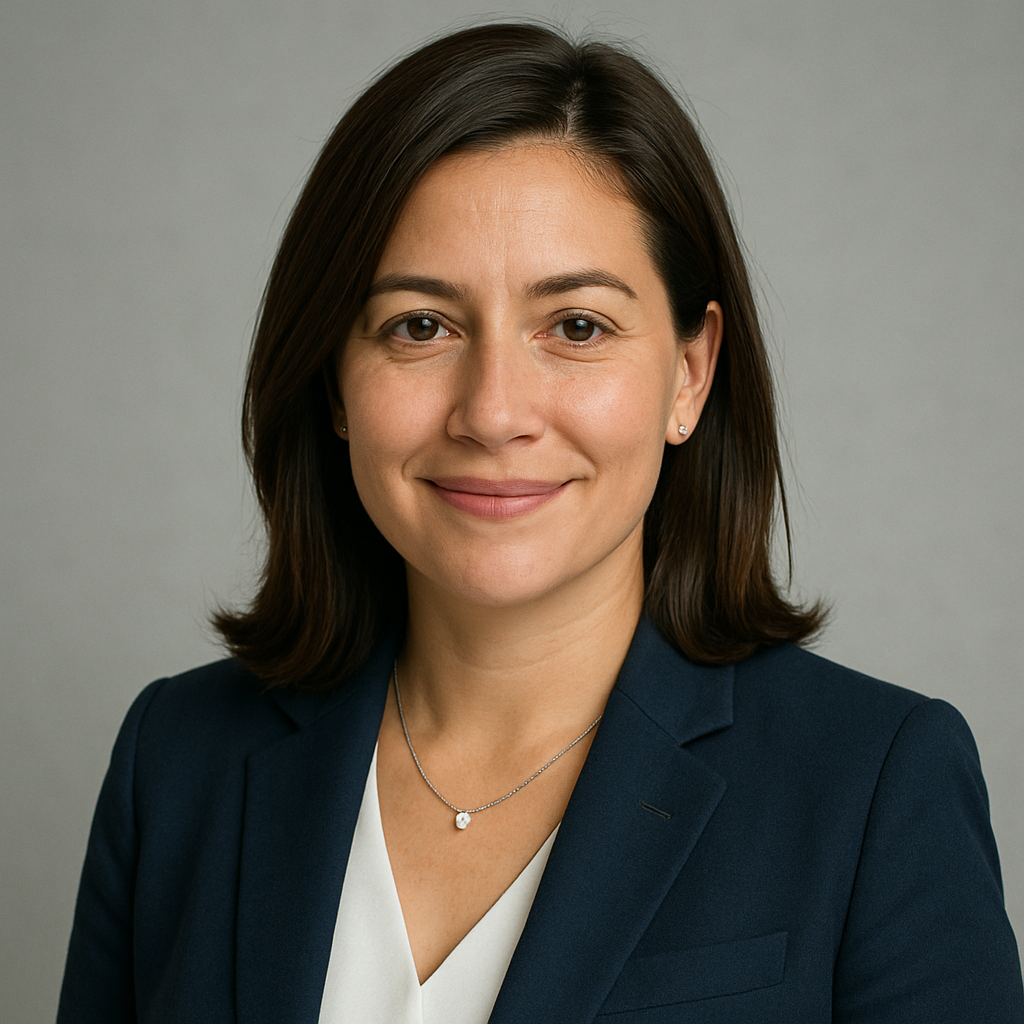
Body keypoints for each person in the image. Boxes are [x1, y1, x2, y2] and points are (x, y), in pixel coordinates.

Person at [57, 22, 1022, 1024]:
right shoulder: (175, 760)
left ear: (689, 373)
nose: (493, 410)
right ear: (335, 382)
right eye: (419, 325)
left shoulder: (873, 782)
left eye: (576, 327)